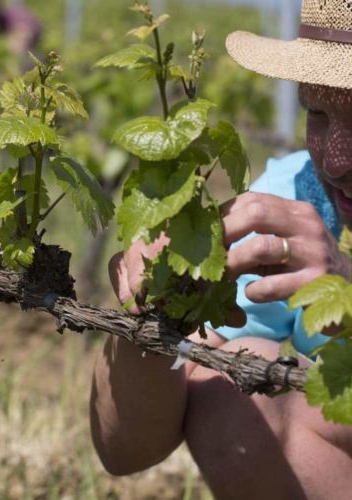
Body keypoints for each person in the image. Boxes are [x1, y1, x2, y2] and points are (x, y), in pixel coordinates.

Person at [90, 1, 352, 498]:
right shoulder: (297, 199)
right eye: (316, 111)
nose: (337, 161)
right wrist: (150, 318)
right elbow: (124, 451)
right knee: (236, 381)